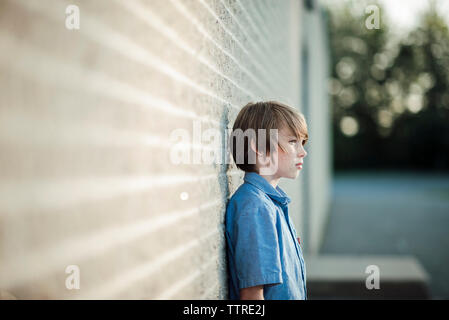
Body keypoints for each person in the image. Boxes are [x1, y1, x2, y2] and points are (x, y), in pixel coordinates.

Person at [225, 101, 308, 300]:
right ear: (259, 147)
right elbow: (253, 296)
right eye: (292, 142)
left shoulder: (271, 203)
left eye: (302, 143)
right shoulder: (255, 207)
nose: (302, 152)